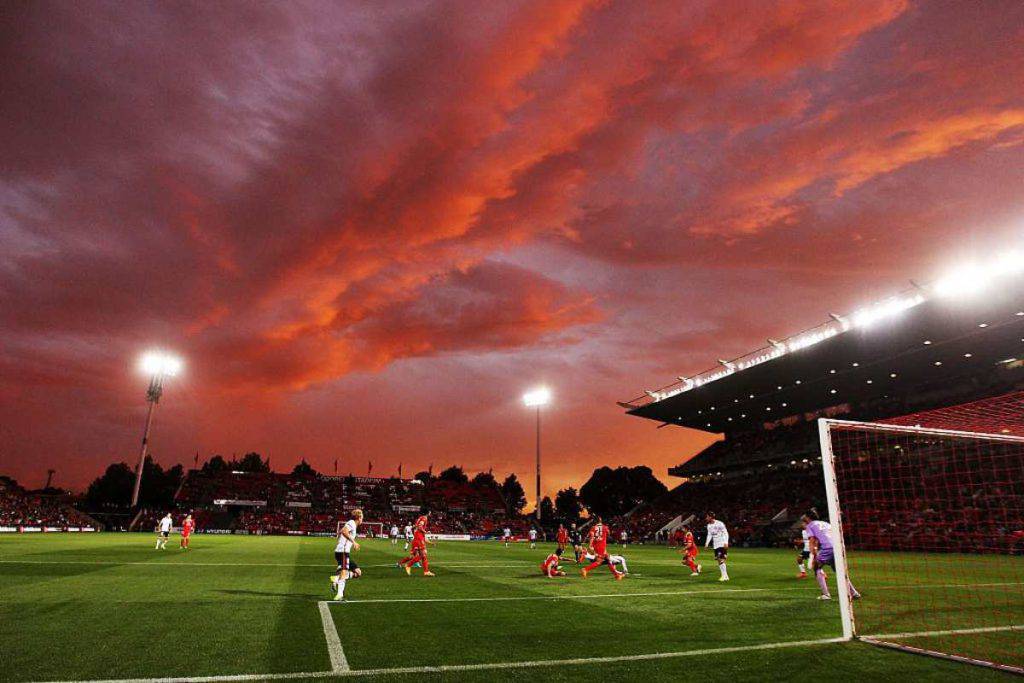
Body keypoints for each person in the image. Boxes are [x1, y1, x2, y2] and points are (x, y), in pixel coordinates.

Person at [801, 513, 861, 601]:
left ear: (808, 518)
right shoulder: (826, 523)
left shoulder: (810, 525)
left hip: (828, 548)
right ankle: (854, 593)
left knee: (816, 567)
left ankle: (826, 594)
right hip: (839, 547)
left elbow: (812, 540)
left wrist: (812, 554)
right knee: (840, 571)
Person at [331, 509, 363, 601]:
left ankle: (336, 579)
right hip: (343, 552)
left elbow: (342, 530)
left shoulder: (352, 524)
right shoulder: (352, 523)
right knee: (344, 572)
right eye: (362, 517)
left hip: (342, 552)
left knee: (358, 572)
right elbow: (344, 531)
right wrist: (354, 542)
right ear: (359, 517)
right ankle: (339, 595)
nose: (362, 520)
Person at [705, 512, 730, 582]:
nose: (706, 518)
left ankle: (724, 576)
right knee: (719, 560)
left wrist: (726, 542)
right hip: (715, 545)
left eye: (707, 517)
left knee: (721, 559)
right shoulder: (709, 526)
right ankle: (725, 576)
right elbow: (709, 535)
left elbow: (725, 532)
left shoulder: (720, 523)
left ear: (711, 517)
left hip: (722, 543)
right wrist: (707, 543)